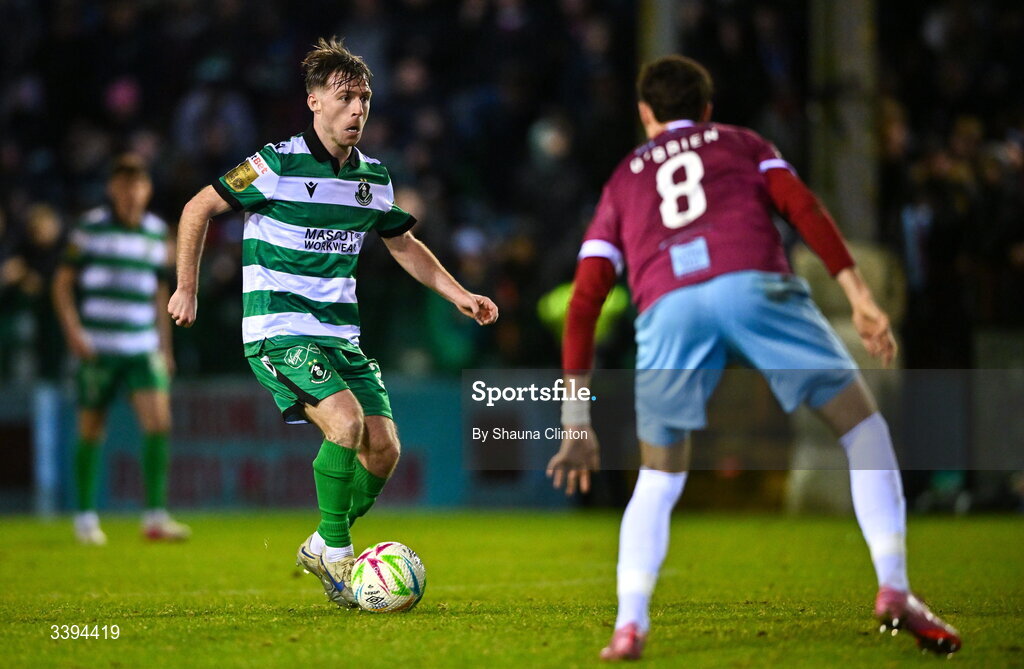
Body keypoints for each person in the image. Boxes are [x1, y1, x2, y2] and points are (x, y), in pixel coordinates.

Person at [546, 56, 961, 660]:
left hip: (668, 305)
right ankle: (894, 589)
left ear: (645, 114)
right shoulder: (743, 143)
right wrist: (861, 298)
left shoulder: (625, 177)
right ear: (706, 110)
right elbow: (803, 208)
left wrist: (576, 422)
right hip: (751, 280)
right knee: (863, 429)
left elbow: (585, 302)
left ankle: (629, 625)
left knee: (659, 477)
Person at [167, 37, 498, 608]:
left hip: (340, 336)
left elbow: (403, 244)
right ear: (314, 102)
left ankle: (323, 539)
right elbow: (198, 207)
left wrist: (458, 293)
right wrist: (187, 287)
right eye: (345, 97)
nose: (358, 110)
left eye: (365, 98)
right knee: (344, 425)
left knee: (384, 450)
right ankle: (340, 558)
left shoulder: (373, 177)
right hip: (278, 330)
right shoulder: (272, 165)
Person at [53, 154, 190, 545]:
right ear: (113, 189)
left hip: (142, 345)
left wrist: (165, 347)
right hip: (98, 346)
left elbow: (160, 291)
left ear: (146, 190)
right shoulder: (89, 230)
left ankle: (155, 517)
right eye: (123, 185)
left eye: (137, 185)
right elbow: (61, 284)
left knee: (159, 423)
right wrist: (74, 334)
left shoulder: (155, 234)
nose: (130, 192)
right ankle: (84, 517)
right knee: (92, 427)